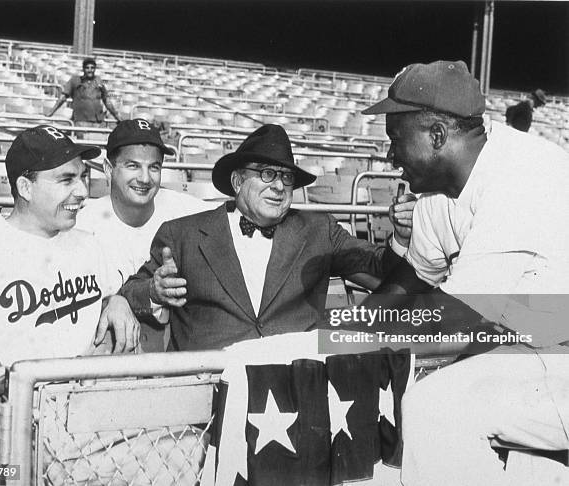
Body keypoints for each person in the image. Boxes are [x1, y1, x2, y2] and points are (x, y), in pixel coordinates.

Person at [361, 60, 569, 486]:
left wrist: (352, 337)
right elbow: (414, 279)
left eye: (395, 139)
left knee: (437, 407)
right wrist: (344, 327)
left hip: (558, 353)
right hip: (533, 353)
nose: (389, 155)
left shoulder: (523, 172)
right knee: (435, 404)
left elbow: (456, 314)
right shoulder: (436, 193)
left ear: (437, 135)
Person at [119, 123, 416, 351]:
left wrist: (401, 237)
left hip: (295, 383)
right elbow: (131, 292)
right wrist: (154, 292)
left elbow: (380, 265)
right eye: (265, 174)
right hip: (208, 388)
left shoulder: (318, 230)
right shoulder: (181, 234)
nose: (278, 186)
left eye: (286, 177)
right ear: (237, 182)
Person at [0, 125, 139, 368]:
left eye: (83, 177)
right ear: (25, 188)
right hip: (12, 401)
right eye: (66, 180)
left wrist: (118, 301)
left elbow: (113, 291)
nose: (83, 191)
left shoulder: (90, 244)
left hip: (81, 396)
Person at [77, 118, 214, 351]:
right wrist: (110, 302)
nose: (145, 178)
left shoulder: (190, 212)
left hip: (177, 343)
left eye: (154, 167)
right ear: (109, 170)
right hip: (110, 349)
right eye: (132, 166)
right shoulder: (82, 225)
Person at [45, 58, 120, 128]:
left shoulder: (98, 81)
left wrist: (117, 117)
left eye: (92, 68)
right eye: (87, 68)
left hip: (98, 122)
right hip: (81, 121)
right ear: (83, 69)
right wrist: (51, 112)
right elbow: (63, 97)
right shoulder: (75, 81)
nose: (90, 70)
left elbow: (106, 101)